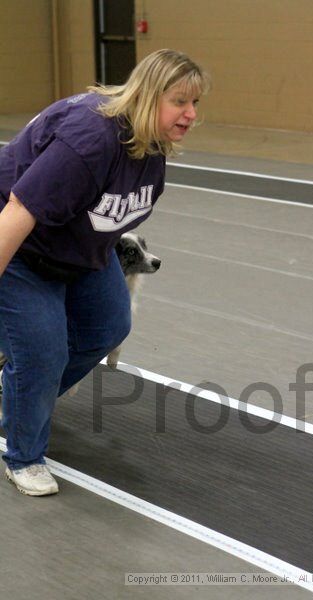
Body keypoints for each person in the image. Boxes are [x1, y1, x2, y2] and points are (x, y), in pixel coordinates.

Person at [0, 49, 210, 496]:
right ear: (149, 95)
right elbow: (19, 210)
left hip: (75, 246)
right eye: (180, 102)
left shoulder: (150, 145)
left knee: (109, 324)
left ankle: (18, 393)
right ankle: (23, 455)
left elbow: (111, 217)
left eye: (195, 103)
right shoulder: (90, 139)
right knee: (42, 351)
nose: (191, 114)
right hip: (19, 241)